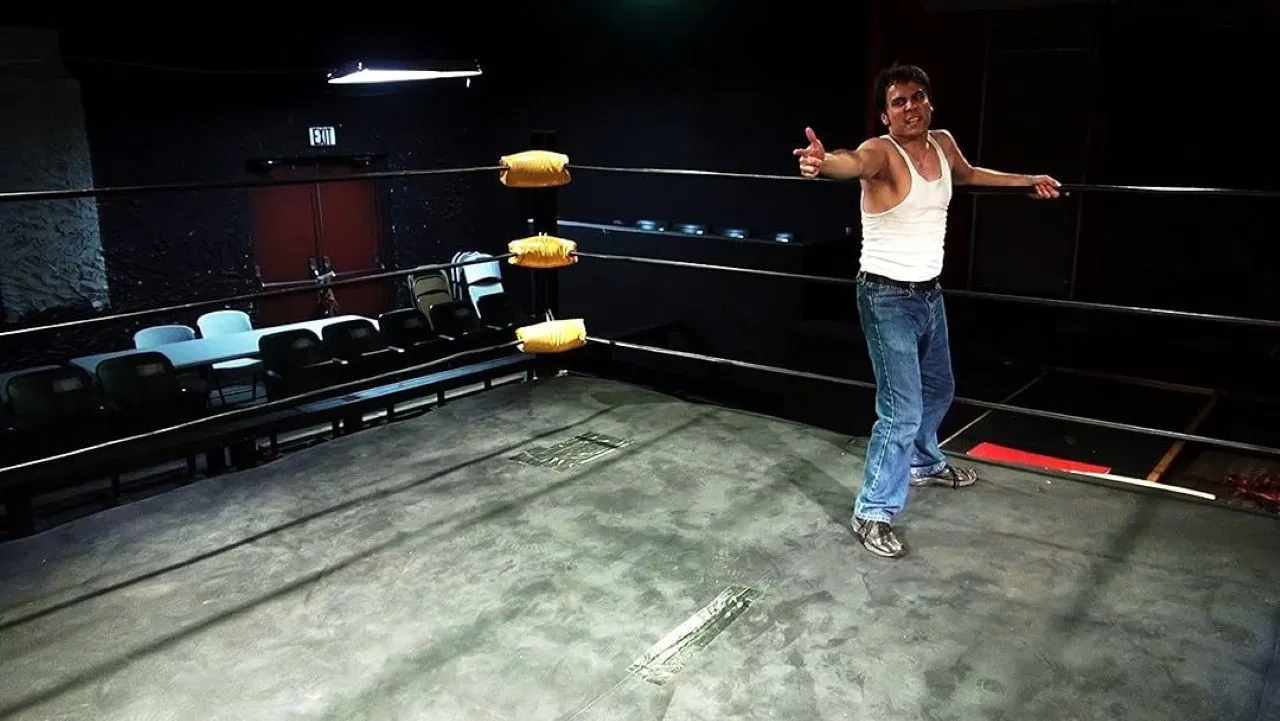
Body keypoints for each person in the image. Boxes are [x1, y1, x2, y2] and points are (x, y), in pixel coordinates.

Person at [793, 63, 1061, 559]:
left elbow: (970, 174)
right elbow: (852, 162)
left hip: (929, 295)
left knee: (940, 388)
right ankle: (873, 510)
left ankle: (922, 463)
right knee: (901, 410)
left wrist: (1026, 181)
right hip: (885, 298)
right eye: (899, 102)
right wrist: (821, 162)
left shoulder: (943, 143)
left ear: (930, 103)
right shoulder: (882, 152)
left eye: (917, 97)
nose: (910, 107)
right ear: (885, 115)